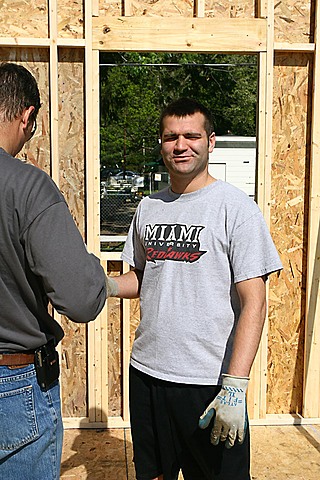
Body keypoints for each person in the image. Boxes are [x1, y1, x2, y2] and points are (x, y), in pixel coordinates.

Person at [107, 98, 283, 480]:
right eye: (171, 137)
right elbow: (142, 277)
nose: (180, 145)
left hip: (209, 385)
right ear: (161, 143)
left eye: (192, 136)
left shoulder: (235, 208)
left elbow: (255, 301)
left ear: (211, 141)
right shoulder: (149, 207)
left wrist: (235, 385)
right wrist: (103, 285)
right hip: (148, 374)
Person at [0, 62, 107, 479]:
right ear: (26, 116)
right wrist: (99, 278)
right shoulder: (26, 186)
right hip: (13, 384)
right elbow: (79, 299)